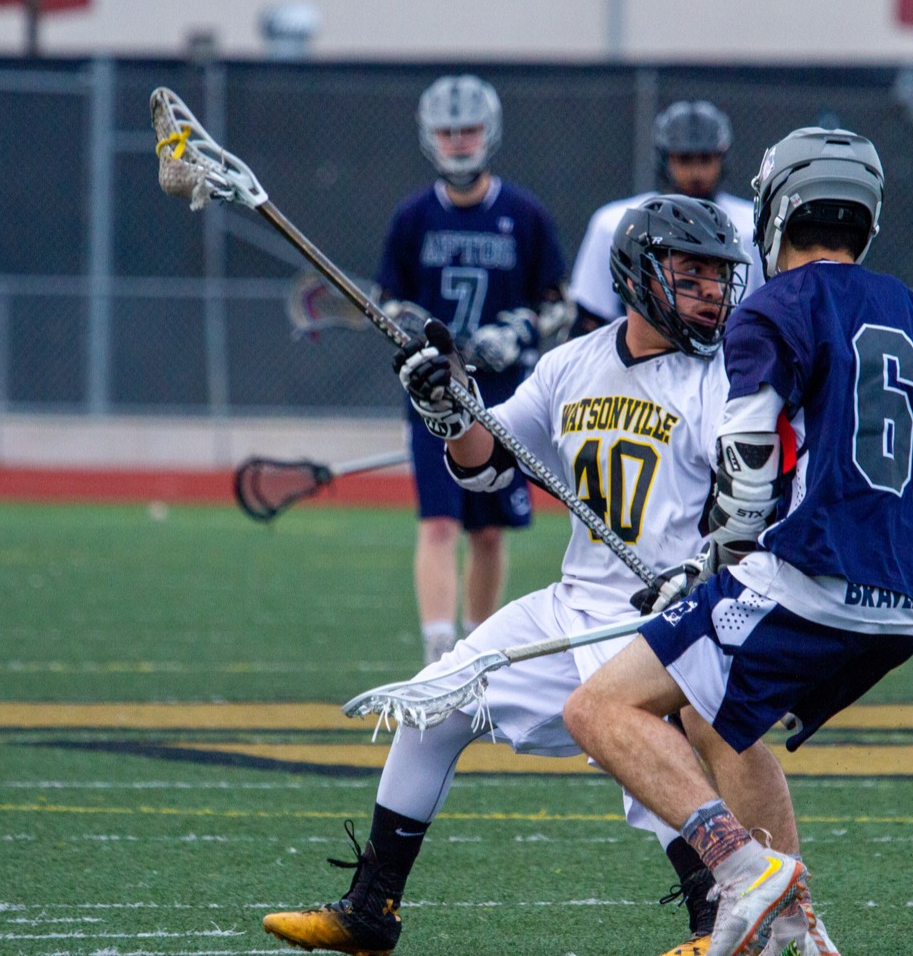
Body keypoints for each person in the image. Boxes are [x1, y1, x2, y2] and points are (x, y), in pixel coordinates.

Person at [563, 127, 913, 956]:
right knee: (721, 721)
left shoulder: (773, 307)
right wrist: (901, 515)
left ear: (778, 206)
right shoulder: (909, 309)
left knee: (599, 708)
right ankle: (797, 930)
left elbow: (747, 466)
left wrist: (716, 563)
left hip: (809, 577)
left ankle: (742, 869)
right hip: (906, 604)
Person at [264, 195, 771, 956]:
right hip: (579, 601)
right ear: (639, 274)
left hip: (660, 613)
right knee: (435, 704)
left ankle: (715, 924)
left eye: (717, 277)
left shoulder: (725, 381)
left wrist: (698, 575)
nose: (711, 291)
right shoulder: (572, 364)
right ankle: (373, 910)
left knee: (635, 750)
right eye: (691, 274)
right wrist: (446, 403)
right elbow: (485, 462)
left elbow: (754, 517)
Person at [375, 74, 569, 664]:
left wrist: (516, 333)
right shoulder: (413, 218)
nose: (459, 142)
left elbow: (557, 303)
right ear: (430, 137)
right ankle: (439, 650)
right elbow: (389, 305)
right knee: (438, 523)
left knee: (488, 531)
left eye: (469, 130)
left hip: (506, 394)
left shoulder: (524, 214)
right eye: (447, 131)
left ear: (490, 132)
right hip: (435, 397)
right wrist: (419, 335)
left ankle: (477, 646)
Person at [567, 100, 763, 336]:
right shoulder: (614, 222)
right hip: (641, 358)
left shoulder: (752, 224)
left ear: (722, 158)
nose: (696, 172)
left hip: (726, 356)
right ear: (664, 159)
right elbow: (592, 318)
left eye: (705, 159)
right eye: (684, 159)